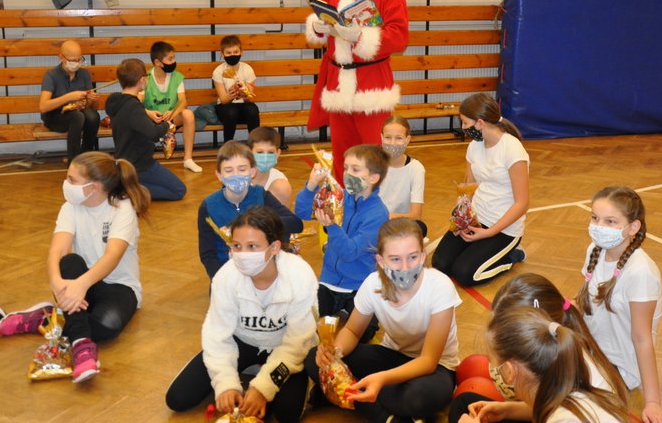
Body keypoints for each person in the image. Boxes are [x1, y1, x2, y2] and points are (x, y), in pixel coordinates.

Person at [0, 151, 149, 384]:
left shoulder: (122, 208)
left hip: (118, 285)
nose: (65, 183)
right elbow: (57, 251)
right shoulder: (70, 207)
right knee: (69, 262)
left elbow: (112, 256)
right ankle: (82, 346)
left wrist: (81, 285)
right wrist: (56, 282)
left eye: (71, 180)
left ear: (93, 187)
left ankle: (48, 319)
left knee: (106, 327)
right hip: (79, 286)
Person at [165, 206, 318, 419]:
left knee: (287, 414)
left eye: (252, 246)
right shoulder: (226, 277)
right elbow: (217, 335)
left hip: (284, 346)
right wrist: (225, 383)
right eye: (237, 246)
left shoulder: (299, 275)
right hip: (242, 342)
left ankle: (272, 375)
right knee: (177, 398)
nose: (243, 254)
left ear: (274, 247)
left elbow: (298, 342)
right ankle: (247, 370)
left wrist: (262, 389)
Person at [307, 217, 461, 422]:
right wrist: (335, 352)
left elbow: (428, 361)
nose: (405, 267)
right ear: (381, 261)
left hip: (437, 367)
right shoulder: (373, 284)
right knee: (314, 359)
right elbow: (352, 331)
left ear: (423, 256)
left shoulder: (439, 286)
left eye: (412, 257)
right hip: (393, 355)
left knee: (418, 398)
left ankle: (353, 397)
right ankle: (389, 417)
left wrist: (381, 379)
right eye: (395, 259)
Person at [449, 273, 628, 423]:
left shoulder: (566, 416)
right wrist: (508, 410)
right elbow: (549, 404)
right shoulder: (566, 349)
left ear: (510, 370)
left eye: (492, 359)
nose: (491, 367)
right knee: (464, 403)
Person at [305, 0, 410, 183]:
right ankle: (344, 199)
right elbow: (323, 16)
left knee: (374, 154)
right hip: (338, 83)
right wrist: (318, 26)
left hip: (371, 84)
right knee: (343, 153)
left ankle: (376, 201)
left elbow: (399, 37)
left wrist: (361, 37)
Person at [574, 187, 662, 423]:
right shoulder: (594, 250)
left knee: (570, 400)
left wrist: (653, 402)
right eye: (595, 218)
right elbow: (586, 301)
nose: (599, 226)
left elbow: (642, 338)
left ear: (633, 227)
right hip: (591, 349)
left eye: (610, 221)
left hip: (619, 365)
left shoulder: (641, 271)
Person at [294, 143, 390, 343]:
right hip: (328, 281)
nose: (347, 174)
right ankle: (341, 314)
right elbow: (302, 212)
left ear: (373, 178)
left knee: (362, 334)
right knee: (304, 325)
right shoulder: (339, 197)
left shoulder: (378, 213)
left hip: (358, 287)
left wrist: (331, 226)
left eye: (355, 169)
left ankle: (352, 314)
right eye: (346, 168)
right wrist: (312, 184)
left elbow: (350, 252)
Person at [432, 93, 529, 287]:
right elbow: (469, 187)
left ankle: (511, 256)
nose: (463, 128)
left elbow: (522, 203)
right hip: (476, 218)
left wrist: (489, 232)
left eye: (465, 123)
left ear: (480, 123)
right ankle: (481, 250)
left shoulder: (512, 150)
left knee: (466, 274)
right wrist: (461, 218)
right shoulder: (474, 146)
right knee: (440, 264)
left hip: (503, 229)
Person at [198, 140, 303, 281]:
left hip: (263, 271)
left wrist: (257, 224)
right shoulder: (209, 206)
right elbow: (207, 254)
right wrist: (221, 279)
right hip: (227, 273)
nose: (236, 175)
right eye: (228, 171)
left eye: (242, 169)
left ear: (252, 171)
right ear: (219, 175)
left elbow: (296, 224)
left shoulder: (261, 195)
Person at [105, 58, 186, 202]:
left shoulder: (117, 101)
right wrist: (167, 125)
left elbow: (134, 119)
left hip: (124, 162)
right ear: (142, 80)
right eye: (146, 76)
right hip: (139, 164)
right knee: (179, 190)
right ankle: (128, 189)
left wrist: (147, 113)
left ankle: (127, 183)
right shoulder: (133, 106)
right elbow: (153, 134)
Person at [143, 40, 202, 173]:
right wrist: (149, 113)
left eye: (174, 57)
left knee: (188, 114)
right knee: (137, 116)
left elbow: (183, 102)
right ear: (158, 62)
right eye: (170, 59)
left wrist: (171, 115)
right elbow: (136, 102)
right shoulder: (146, 78)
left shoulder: (176, 77)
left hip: (172, 116)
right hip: (152, 118)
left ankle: (188, 159)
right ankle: (142, 159)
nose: (174, 61)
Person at [38, 40, 99, 161]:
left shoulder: (84, 74)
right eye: (72, 60)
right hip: (55, 116)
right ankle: (73, 160)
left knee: (93, 117)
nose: (76, 63)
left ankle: (85, 155)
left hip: (77, 112)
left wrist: (92, 99)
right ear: (61, 57)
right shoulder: (51, 75)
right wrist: (69, 97)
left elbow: (92, 107)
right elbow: (43, 107)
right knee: (77, 117)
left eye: (79, 60)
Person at [378, 115, 427, 237]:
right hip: (375, 221)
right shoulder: (372, 163)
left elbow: (416, 215)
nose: (392, 143)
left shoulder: (416, 169)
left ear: (407, 139)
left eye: (399, 138)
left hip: (400, 223)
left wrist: (389, 216)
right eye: (388, 137)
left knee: (420, 227)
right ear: (381, 138)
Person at [212, 35, 260, 142]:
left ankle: (256, 145)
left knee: (252, 109)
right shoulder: (218, 71)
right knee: (231, 111)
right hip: (225, 109)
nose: (232, 55)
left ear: (241, 52)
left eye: (235, 52)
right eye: (228, 53)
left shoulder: (247, 69)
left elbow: (250, 98)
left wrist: (244, 93)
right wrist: (231, 95)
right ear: (222, 54)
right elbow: (223, 100)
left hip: (243, 108)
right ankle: (228, 145)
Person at [247, 126, 292, 208]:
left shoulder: (280, 183)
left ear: (278, 153)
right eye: (260, 152)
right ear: (249, 153)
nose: (265, 157)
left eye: (270, 152)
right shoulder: (239, 177)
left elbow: (284, 214)